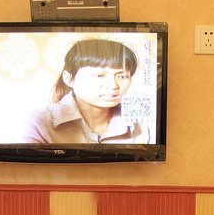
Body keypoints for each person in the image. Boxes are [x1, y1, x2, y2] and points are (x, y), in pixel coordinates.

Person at [22, 39, 152, 144]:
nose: (113, 85)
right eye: (99, 75)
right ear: (69, 79)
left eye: (122, 76)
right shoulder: (38, 122)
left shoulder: (140, 126)